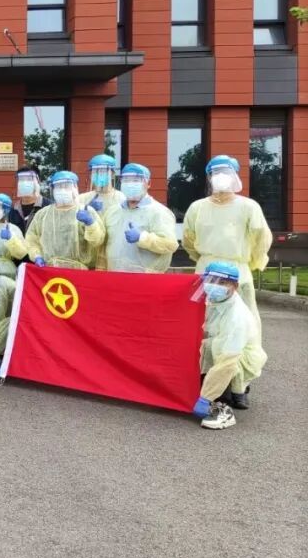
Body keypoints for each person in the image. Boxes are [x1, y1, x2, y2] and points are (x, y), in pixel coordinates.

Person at [183, 155, 272, 332]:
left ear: (235, 175)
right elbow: (188, 240)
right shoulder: (197, 208)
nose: (221, 176)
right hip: (206, 271)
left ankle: (245, 351)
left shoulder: (249, 207)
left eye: (226, 171)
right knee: (204, 322)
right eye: (216, 172)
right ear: (209, 177)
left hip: (238, 272)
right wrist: (204, 259)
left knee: (243, 323)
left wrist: (251, 263)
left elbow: (261, 239)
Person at [192, 261, 267, 429]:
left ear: (235, 286)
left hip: (238, 358)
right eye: (211, 280)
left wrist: (206, 397)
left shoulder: (237, 317)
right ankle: (227, 392)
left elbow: (227, 362)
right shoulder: (215, 300)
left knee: (221, 362)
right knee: (206, 348)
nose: (215, 285)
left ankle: (223, 407)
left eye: (223, 282)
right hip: (219, 347)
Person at [101, 163, 178, 273]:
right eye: (126, 180)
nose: (130, 184)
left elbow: (170, 244)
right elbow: (104, 246)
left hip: (145, 279)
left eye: (136, 180)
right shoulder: (113, 212)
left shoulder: (159, 212)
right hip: (114, 276)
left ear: (148, 183)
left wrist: (142, 237)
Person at [24, 170, 105, 269]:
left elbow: (98, 241)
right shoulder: (42, 215)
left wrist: (90, 223)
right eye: (58, 187)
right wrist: (37, 256)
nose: (62, 190)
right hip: (50, 270)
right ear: (52, 190)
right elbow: (31, 239)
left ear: (75, 188)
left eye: (66, 186)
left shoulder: (86, 211)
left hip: (79, 271)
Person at [8, 167, 51, 235]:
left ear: (38, 182)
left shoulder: (49, 207)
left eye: (29, 179)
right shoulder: (13, 210)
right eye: (21, 180)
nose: (25, 183)